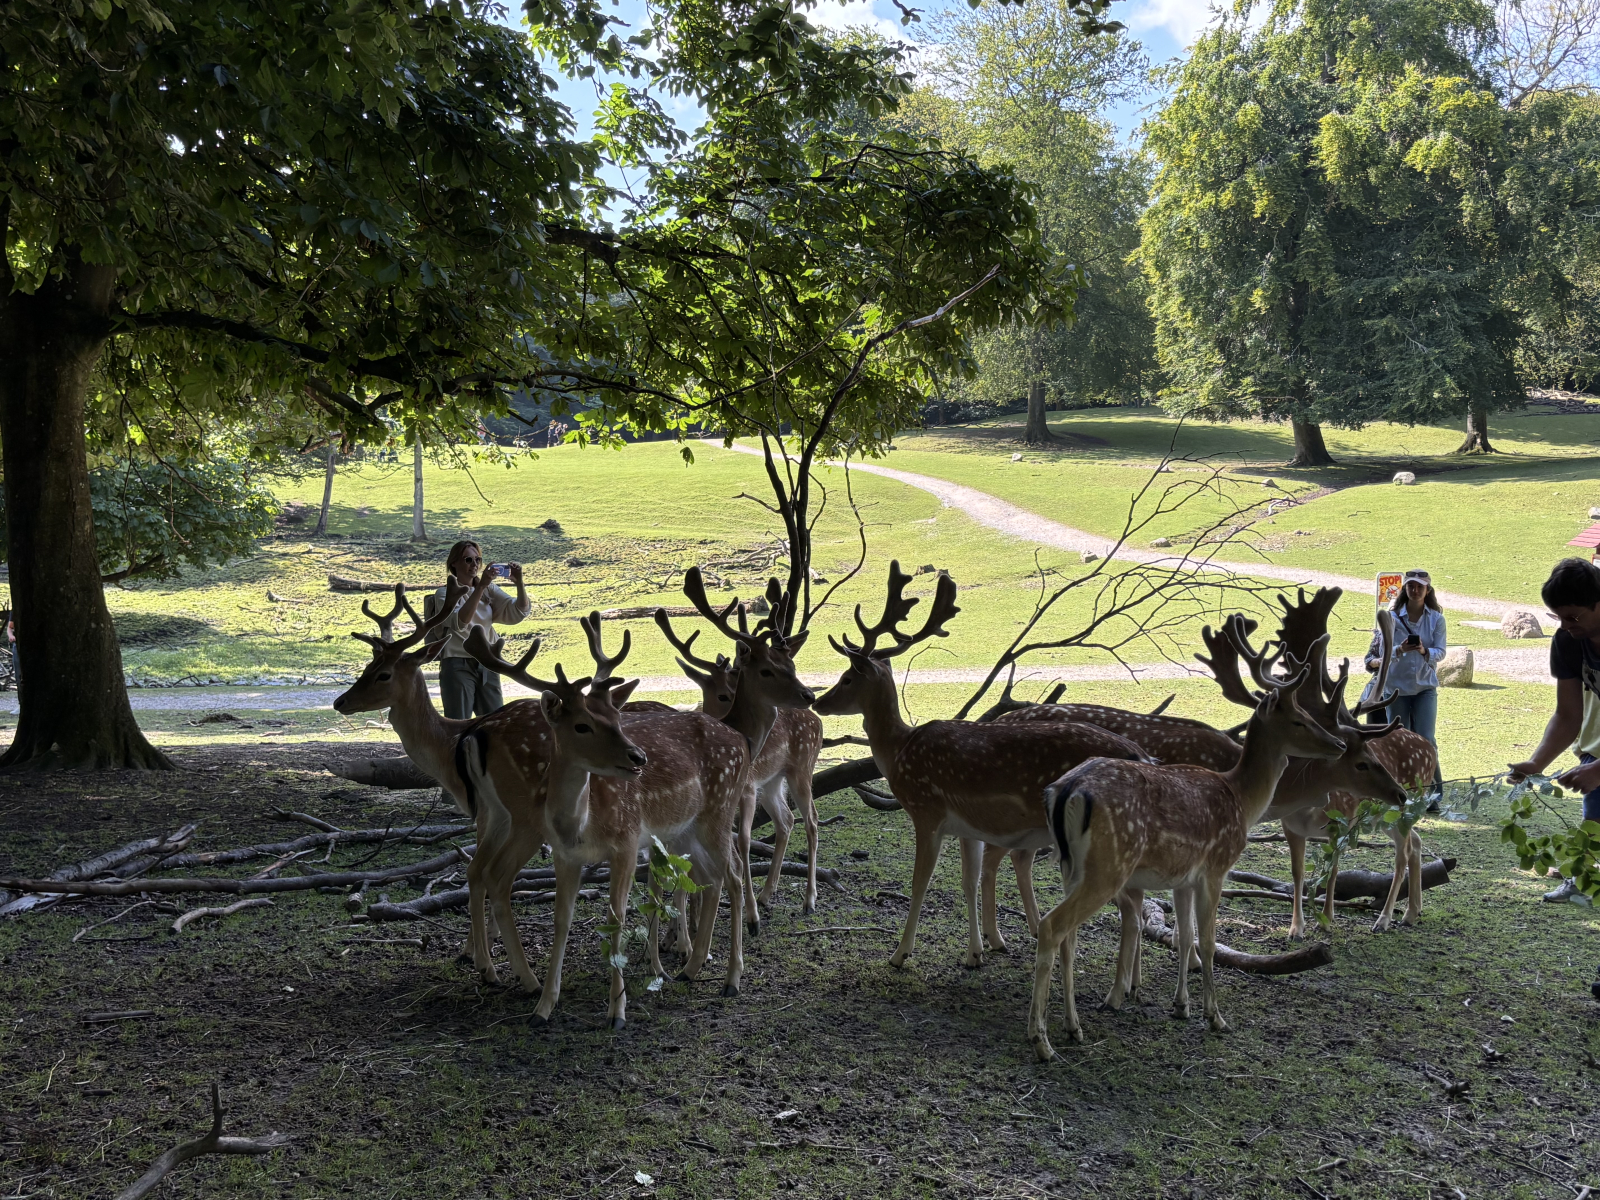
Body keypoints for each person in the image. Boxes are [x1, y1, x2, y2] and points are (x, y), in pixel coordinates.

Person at [1507, 557, 1600, 917]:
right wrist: (1536, 762)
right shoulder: (1568, 641)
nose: (1565, 625)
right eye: (1557, 616)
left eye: (1573, 616)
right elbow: (1568, 715)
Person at [1365, 568, 1446, 806]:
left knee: (1426, 739)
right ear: (1405, 589)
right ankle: (1401, 793)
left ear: (1427, 590)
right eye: (1411, 585)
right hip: (1396, 689)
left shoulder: (1436, 619)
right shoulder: (1390, 618)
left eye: (1420, 586)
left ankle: (1433, 795)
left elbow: (1440, 652)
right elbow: (1377, 655)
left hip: (1424, 688)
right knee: (1399, 741)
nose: (1415, 589)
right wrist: (1399, 650)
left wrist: (1423, 651)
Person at [426, 541, 530, 720]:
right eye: (468, 560)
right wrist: (480, 587)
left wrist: (519, 583)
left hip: (488, 663)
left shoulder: (490, 589)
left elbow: (517, 612)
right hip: (458, 664)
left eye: (477, 560)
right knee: (458, 724)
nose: (474, 565)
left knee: (495, 724)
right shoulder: (444, 594)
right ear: (454, 563)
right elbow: (460, 621)